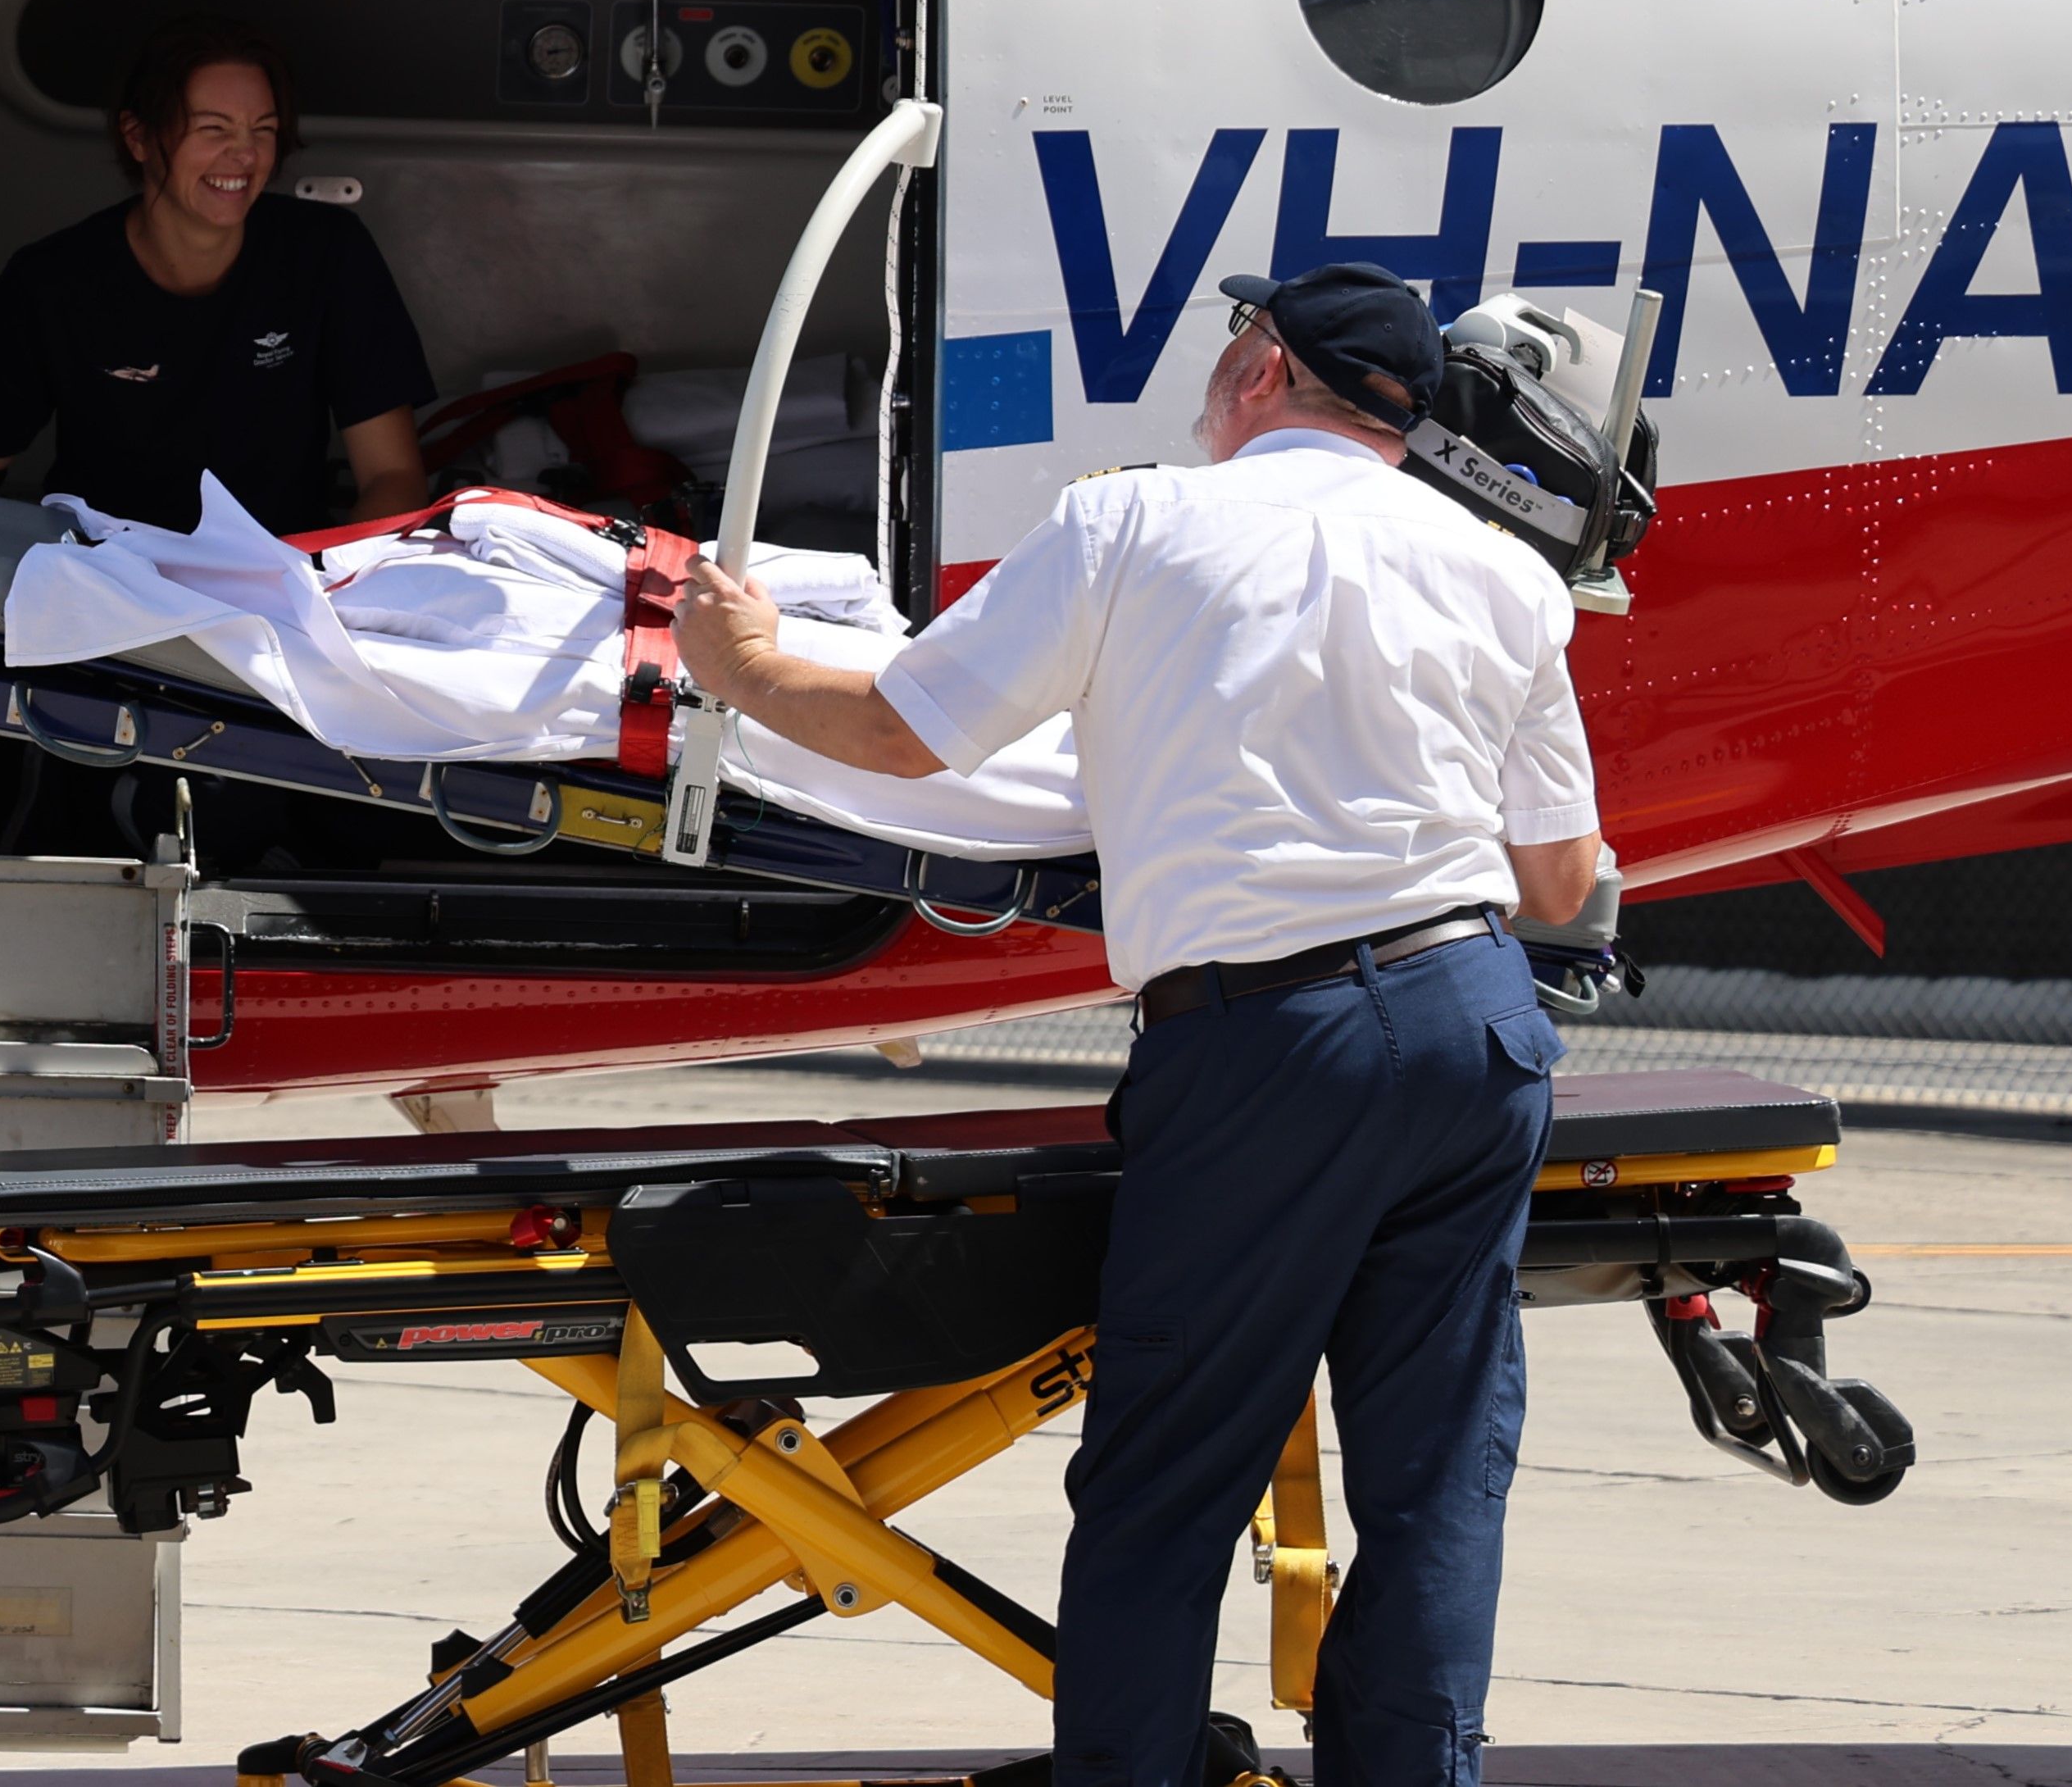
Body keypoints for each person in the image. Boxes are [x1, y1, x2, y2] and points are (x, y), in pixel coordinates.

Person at [674, 261, 1606, 1787]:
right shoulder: (1504, 569)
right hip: (1473, 1025)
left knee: (1168, 1478)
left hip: (1270, 1041)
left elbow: (904, 730)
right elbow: (1561, 877)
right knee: (1438, 1481)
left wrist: (745, 662)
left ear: (1261, 366)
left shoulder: (1132, 523)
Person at [0, 18, 434, 536]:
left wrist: (310, 576)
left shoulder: (325, 252)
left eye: (264, 129)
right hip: (102, 575)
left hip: (284, 575)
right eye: (213, 129)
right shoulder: (53, 281)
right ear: (138, 137)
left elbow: (393, 478)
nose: (245, 154)